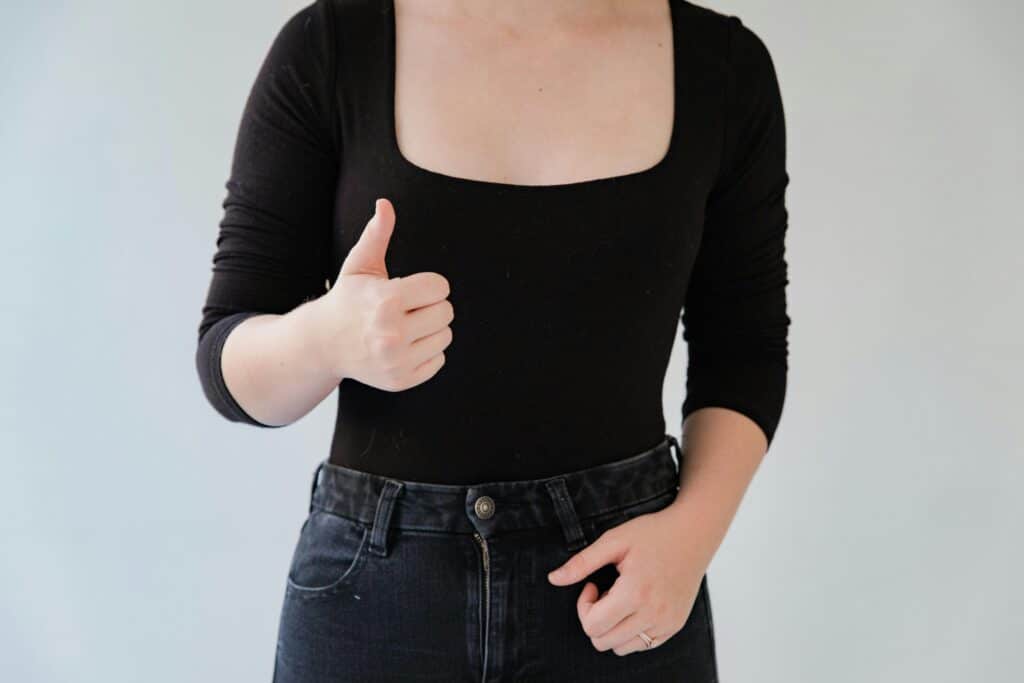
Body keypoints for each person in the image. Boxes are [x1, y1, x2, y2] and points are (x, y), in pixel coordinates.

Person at [195, 0, 790, 680]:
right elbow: (228, 359)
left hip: (621, 594)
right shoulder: (331, 45)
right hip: (376, 604)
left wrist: (692, 536)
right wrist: (328, 338)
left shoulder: (724, 68)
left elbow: (745, 351)